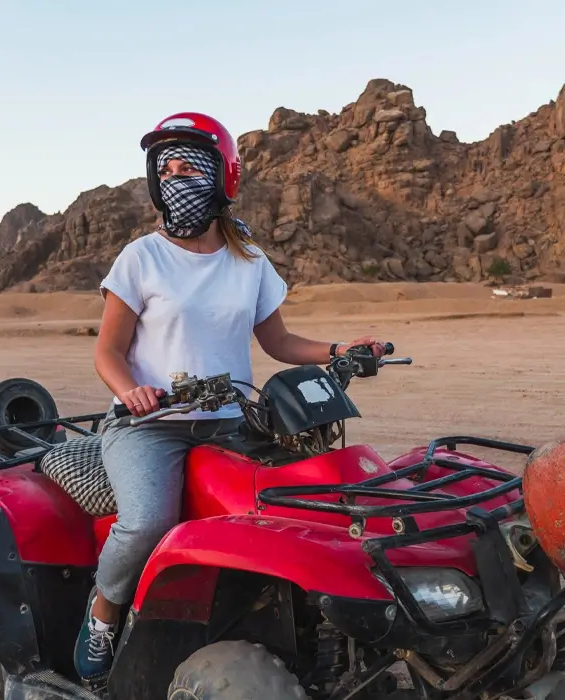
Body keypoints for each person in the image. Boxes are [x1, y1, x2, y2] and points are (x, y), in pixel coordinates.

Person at [73, 111, 386, 688]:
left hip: (235, 422)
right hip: (151, 425)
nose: (174, 176)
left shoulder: (249, 261)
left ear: (223, 175)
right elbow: (108, 353)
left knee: (307, 504)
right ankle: (104, 612)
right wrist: (131, 392)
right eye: (164, 167)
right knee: (146, 523)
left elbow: (280, 342)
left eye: (188, 164)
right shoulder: (141, 258)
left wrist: (343, 348)